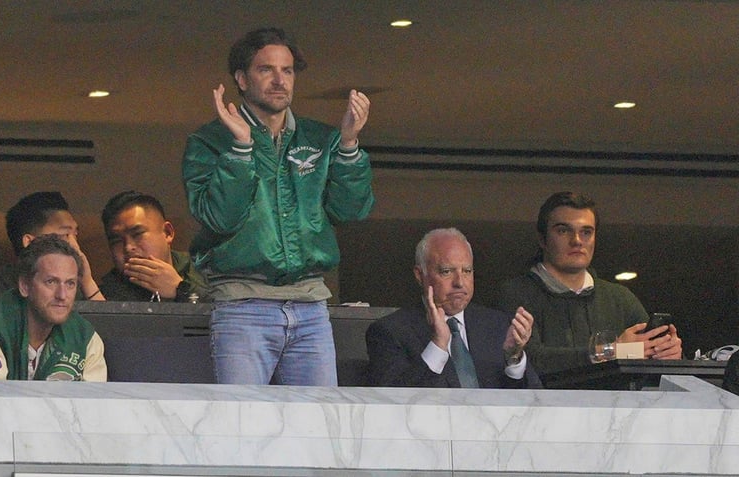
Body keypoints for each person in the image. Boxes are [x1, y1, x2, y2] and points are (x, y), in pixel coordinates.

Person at [182, 27, 374, 385]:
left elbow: (350, 211)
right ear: (241, 78)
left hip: (311, 305)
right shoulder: (209, 141)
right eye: (265, 69)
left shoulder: (320, 138)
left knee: (316, 429)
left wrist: (348, 145)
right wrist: (241, 149)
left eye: (287, 71)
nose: (279, 80)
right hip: (242, 306)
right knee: (245, 428)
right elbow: (219, 219)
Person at [497, 191, 683, 376]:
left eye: (586, 232)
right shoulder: (516, 293)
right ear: (542, 239)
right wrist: (611, 351)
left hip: (617, 405)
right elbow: (529, 360)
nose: (577, 240)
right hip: (546, 405)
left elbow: (649, 353)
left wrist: (669, 353)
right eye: (563, 230)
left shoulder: (620, 297)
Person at [366, 228, 541, 389]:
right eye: (446, 271)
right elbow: (391, 403)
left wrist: (514, 359)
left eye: (467, 271)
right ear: (420, 275)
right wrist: (437, 346)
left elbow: (535, 401)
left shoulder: (497, 324)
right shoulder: (390, 332)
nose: (459, 282)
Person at [0, 234, 107, 381]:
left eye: (70, 284)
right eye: (51, 282)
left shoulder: (85, 338)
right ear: (24, 286)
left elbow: (92, 409)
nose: (62, 295)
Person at [0, 191, 104, 301]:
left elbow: (108, 331)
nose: (75, 246)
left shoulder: (74, 288)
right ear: (29, 242)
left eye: (75, 234)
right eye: (64, 235)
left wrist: (87, 282)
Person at [99, 190, 209, 302]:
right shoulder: (107, 292)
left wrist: (180, 290)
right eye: (117, 241)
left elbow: (223, 310)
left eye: (137, 234)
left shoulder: (205, 271)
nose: (128, 247)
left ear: (167, 232)